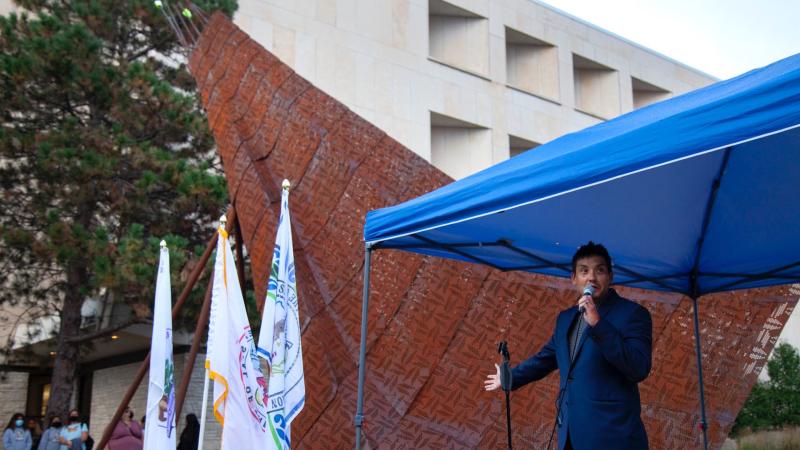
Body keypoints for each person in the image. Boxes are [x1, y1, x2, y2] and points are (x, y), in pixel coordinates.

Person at [484, 241, 652, 450]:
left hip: (614, 437)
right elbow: (546, 358)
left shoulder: (633, 314)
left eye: (599, 270)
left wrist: (598, 324)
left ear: (610, 276)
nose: (591, 277)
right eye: (584, 271)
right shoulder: (566, 319)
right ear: (573, 279)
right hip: (571, 435)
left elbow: (638, 367)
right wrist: (510, 377)